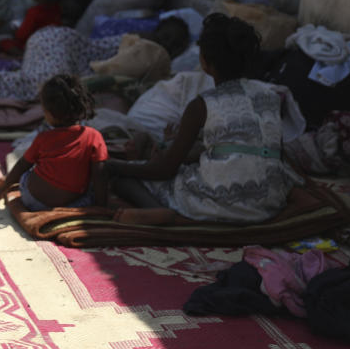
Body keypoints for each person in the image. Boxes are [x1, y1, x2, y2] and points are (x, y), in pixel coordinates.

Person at [106, 14, 301, 223]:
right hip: (269, 203)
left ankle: (167, 217)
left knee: (124, 180)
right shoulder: (270, 95)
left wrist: (111, 165)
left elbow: (165, 169)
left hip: (222, 204)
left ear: (205, 62)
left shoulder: (202, 105)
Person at [0, 16, 190, 100]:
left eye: (175, 44)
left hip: (54, 41)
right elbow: (116, 70)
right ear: (156, 31)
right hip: (62, 43)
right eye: (166, 37)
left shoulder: (160, 58)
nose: (167, 45)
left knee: (32, 81)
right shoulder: (145, 44)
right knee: (52, 89)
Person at [0, 75, 108, 210]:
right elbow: (100, 173)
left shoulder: (43, 138)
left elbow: (22, 164)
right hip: (72, 205)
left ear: (49, 113)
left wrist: (5, 185)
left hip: (32, 201)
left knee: (26, 174)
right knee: (91, 186)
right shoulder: (94, 136)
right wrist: (101, 206)